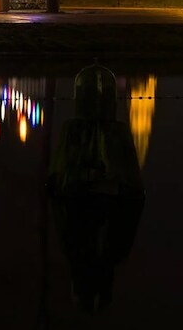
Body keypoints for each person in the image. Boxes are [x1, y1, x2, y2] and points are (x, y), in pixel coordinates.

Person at [48, 61, 144, 313]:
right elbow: (133, 188)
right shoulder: (115, 252)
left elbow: (58, 182)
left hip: (82, 206)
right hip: (103, 207)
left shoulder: (76, 131)